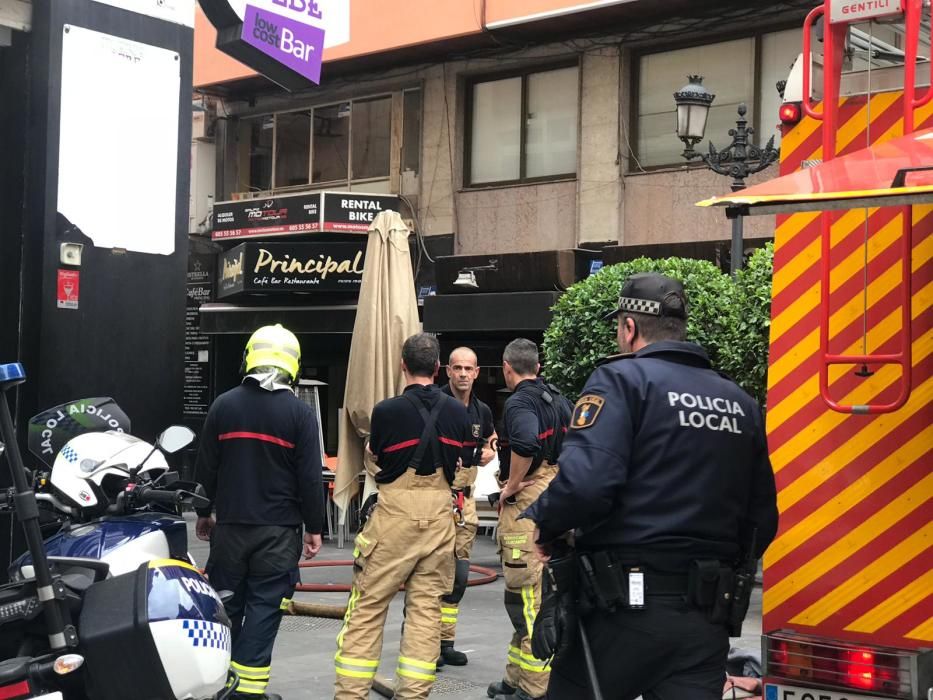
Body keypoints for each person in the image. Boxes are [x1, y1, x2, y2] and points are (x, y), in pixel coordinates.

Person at [524, 273, 779, 700]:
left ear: (629, 328)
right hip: (706, 618)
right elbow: (762, 520)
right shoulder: (739, 402)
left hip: (621, 609)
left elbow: (586, 484)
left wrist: (546, 525)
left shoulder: (621, 381)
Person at [334, 332, 470, 700]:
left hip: (393, 516)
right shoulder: (459, 412)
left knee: (368, 609)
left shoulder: (386, 411)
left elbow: (377, 458)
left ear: (402, 365)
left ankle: (351, 694)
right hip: (440, 518)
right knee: (427, 614)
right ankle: (414, 694)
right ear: (439, 368)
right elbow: (462, 464)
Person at [195, 324, 324, 700]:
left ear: (250, 357)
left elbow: (206, 467)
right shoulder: (299, 415)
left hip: (231, 529)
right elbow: (309, 479)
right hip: (279, 534)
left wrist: (204, 512)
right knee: (265, 611)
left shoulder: (224, 405)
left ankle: (221, 684)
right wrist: (314, 527)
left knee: (226, 607)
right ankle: (247, 694)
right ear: (293, 364)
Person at [488, 339, 572, 700]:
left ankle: (534, 689)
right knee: (527, 598)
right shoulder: (558, 399)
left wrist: (513, 485)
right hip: (556, 497)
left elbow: (524, 443)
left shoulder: (520, 402)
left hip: (528, 505)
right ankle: (514, 679)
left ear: (508, 368)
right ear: (537, 366)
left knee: (528, 601)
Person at [438, 346, 497, 666]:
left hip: (466, 500)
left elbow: (491, 438)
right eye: (457, 368)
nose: (462, 374)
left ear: (476, 373)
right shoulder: (436, 403)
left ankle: (446, 641)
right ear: (447, 370)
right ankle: (422, 640)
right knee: (430, 573)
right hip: (436, 496)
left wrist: (490, 449)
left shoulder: (482, 410)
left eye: (468, 369)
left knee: (458, 576)